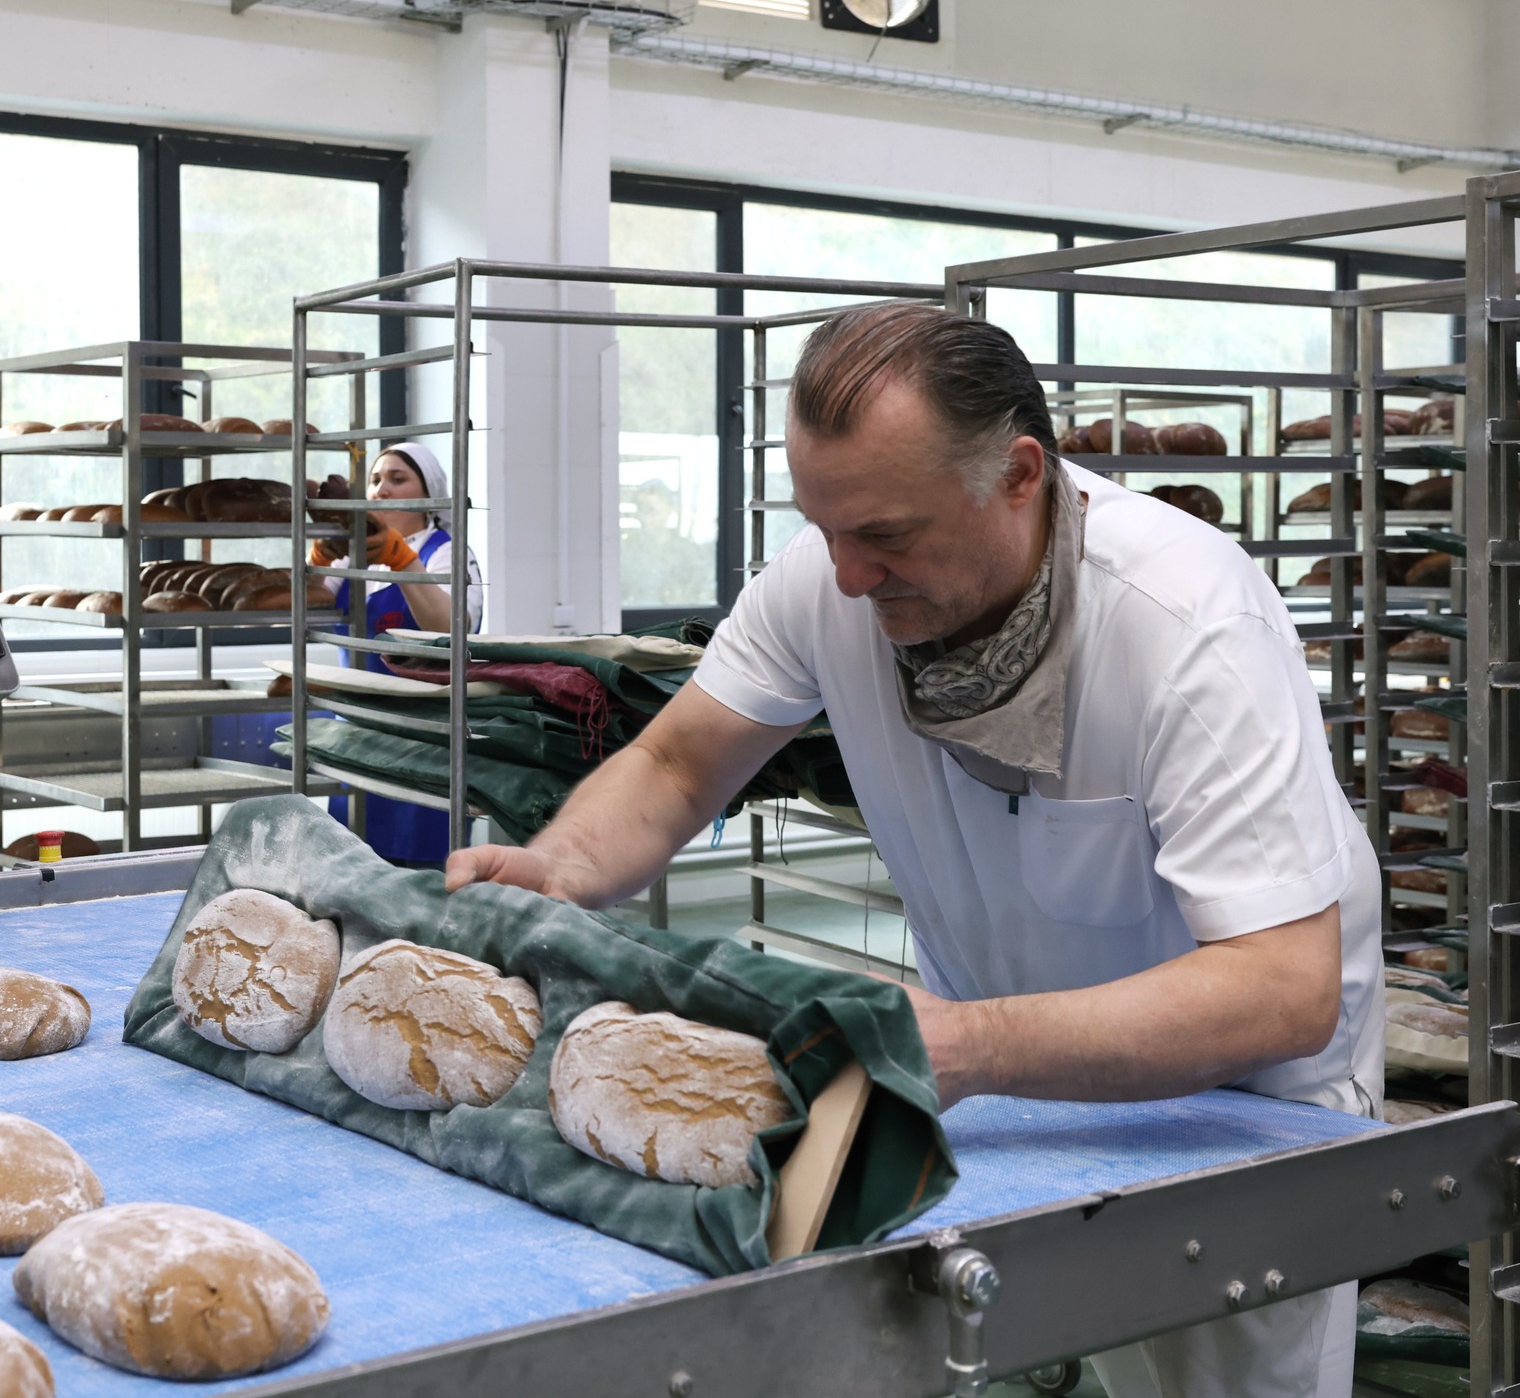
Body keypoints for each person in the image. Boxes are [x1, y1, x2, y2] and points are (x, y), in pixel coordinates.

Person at [447, 303, 1379, 1398]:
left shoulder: (1187, 626)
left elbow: (1279, 989)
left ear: (1018, 475)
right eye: (824, 528)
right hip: (1005, 1081)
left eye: (885, 535)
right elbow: (677, 764)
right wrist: (560, 865)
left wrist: (973, 1044)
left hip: (1229, 1112)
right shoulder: (828, 576)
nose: (847, 575)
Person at [312, 442, 484, 865]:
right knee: (351, 869)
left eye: (397, 479)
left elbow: (452, 630)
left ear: (429, 495)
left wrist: (404, 562)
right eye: (374, 480)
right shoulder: (352, 556)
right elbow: (300, 612)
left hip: (425, 744)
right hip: (356, 738)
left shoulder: (448, 552)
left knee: (424, 875)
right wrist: (315, 561)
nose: (381, 490)